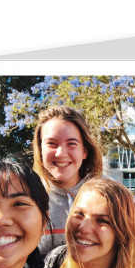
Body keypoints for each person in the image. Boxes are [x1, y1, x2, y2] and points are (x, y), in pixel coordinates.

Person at [43, 179, 135, 268]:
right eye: (79, 214)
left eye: (102, 220)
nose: (84, 227)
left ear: (122, 233)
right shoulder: (54, 263)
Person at [33, 105, 103, 256]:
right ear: (40, 150)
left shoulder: (108, 195)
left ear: (84, 151)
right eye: (51, 143)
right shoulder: (27, 198)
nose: (61, 153)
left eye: (71, 143)